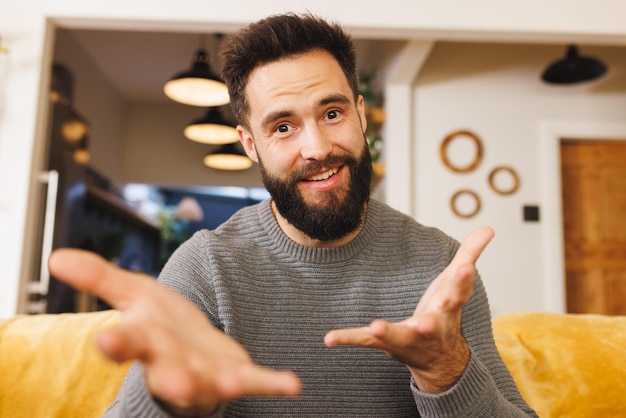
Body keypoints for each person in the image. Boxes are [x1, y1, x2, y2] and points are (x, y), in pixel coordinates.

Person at [48, 12, 537, 418]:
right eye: (283, 126)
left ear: (361, 115)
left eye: (332, 113)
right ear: (250, 145)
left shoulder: (441, 266)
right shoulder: (206, 267)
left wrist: (446, 371)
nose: (318, 148)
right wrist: (167, 402)